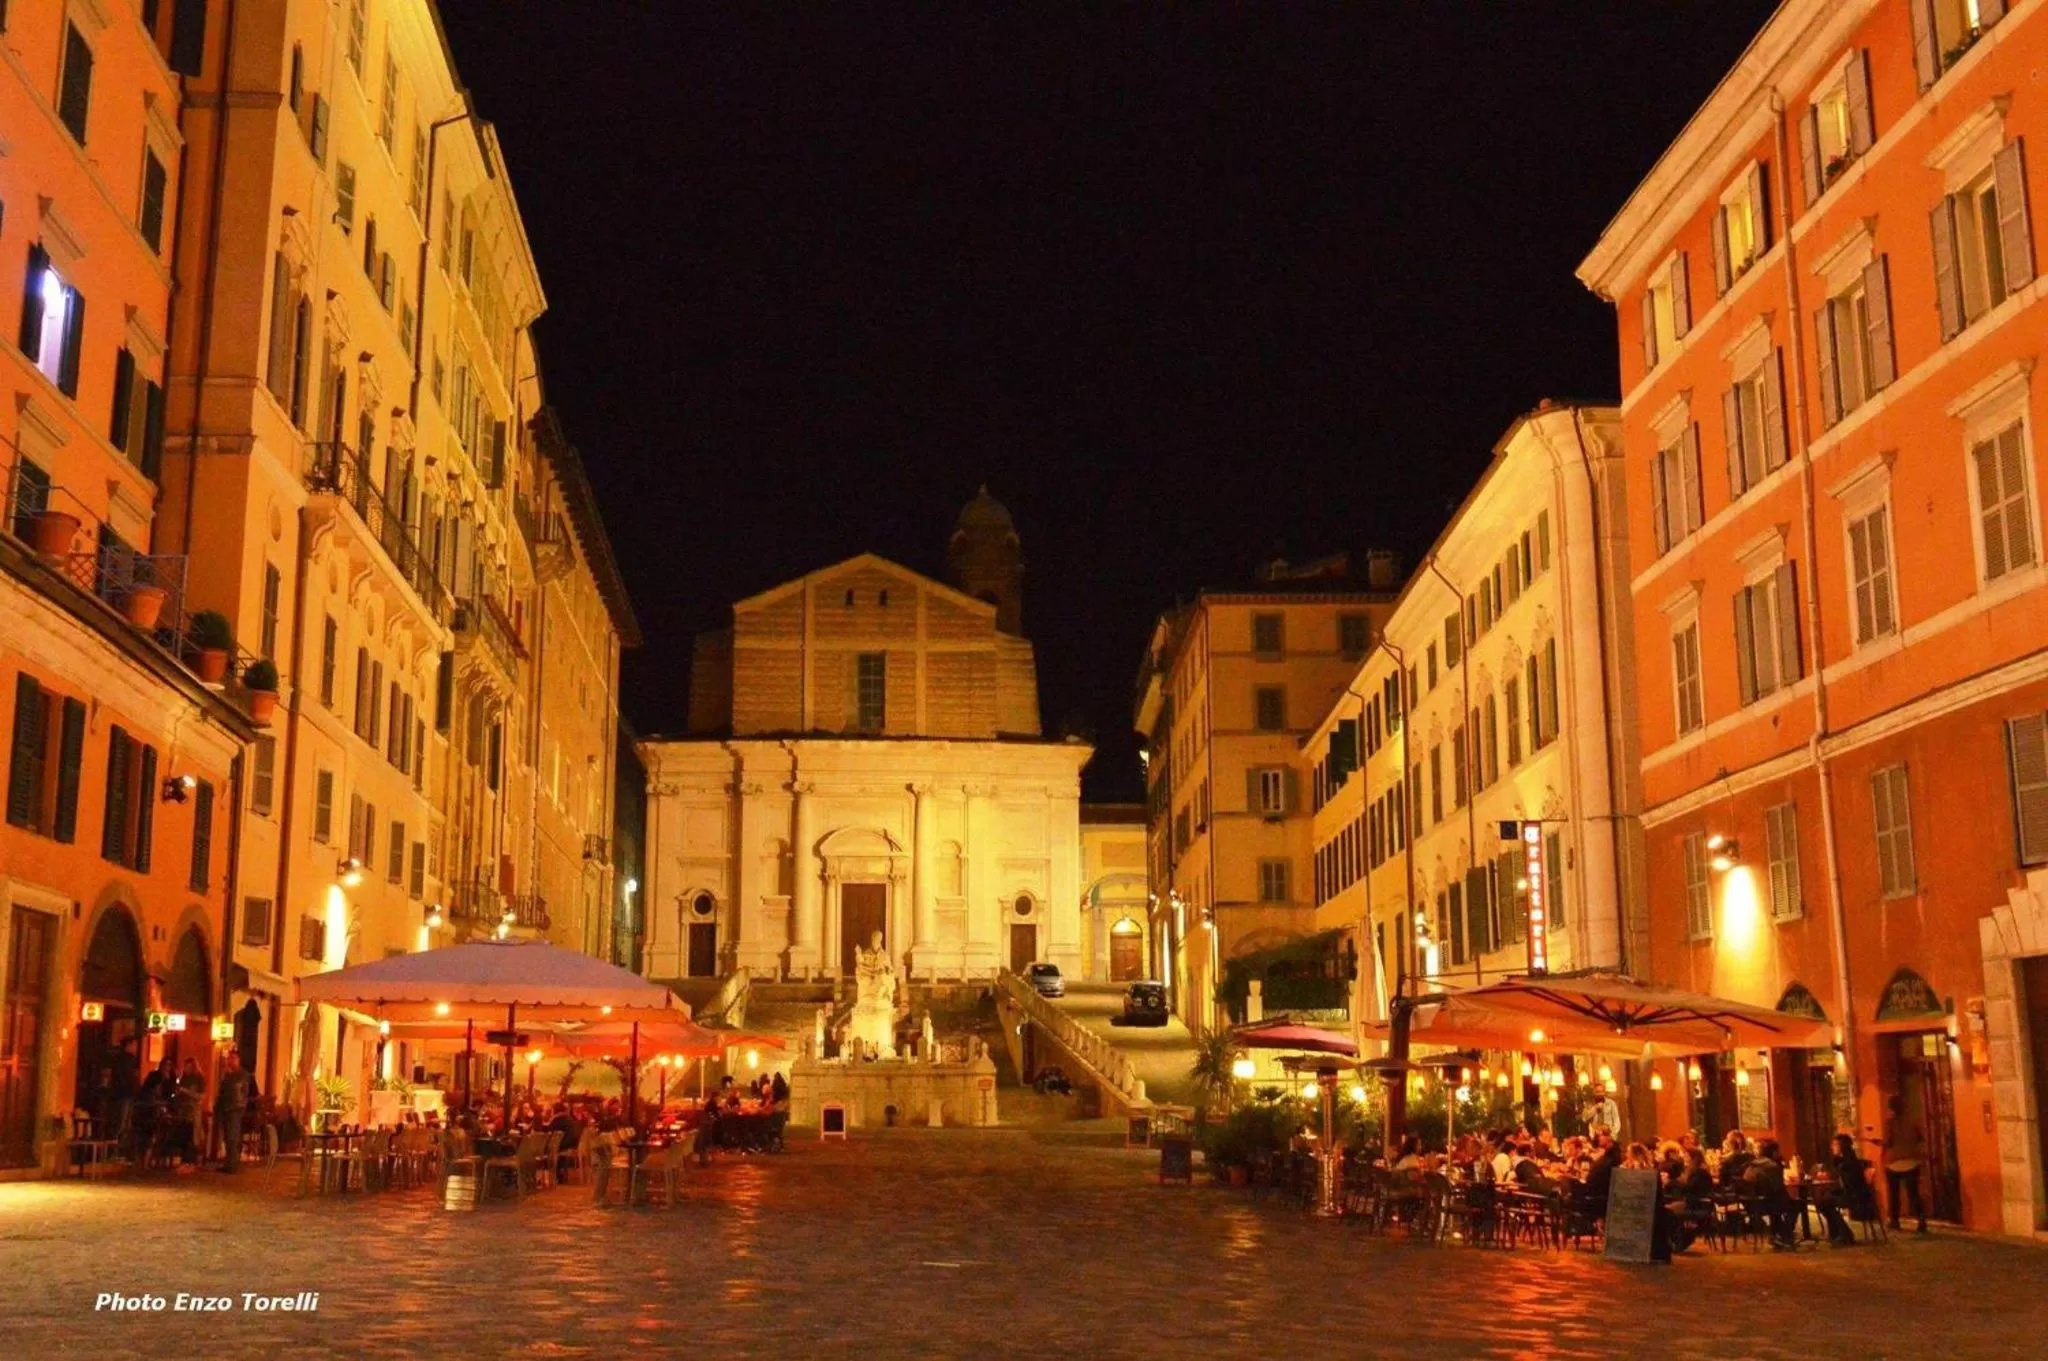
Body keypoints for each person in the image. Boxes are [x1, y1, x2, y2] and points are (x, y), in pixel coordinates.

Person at [1881, 1095, 1928, 1233]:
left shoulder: (1890, 1123)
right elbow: (1921, 1138)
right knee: (1913, 1193)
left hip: (1893, 1162)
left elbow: (1888, 1141)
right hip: (1912, 1160)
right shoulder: (1913, 1121)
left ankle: (1894, 1220)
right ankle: (1921, 1220)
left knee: (1894, 1194)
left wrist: (1882, 1146)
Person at [1815, 1132, 1871, 1246]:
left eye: (1835, 1145)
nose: (1832, 1147)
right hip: (1849, 1193)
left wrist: (1833, 1181)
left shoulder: (1849, 1163)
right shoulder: (1841, 1161)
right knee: (1823, 1201)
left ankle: (1844, 1235)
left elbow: (1850, 1184)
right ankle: (1838, 1234)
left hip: (1857, 1196)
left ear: (1842, 1146)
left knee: (1825, 1202)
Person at [1744, 1138, 1800, 1249]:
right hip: (1767, 1204)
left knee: (1777, 1206)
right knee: (1796, 1205)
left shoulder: (1751, 1164)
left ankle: (1777, 1235)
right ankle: (1785, 1235)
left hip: (1751, 1204)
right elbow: (1778, 1189)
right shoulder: (1772, 1166)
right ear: (1773, 1152)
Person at [214, 1051, 253, 1173]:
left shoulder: (242, 1074)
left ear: (238, 1060)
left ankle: (232, 1163)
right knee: (227, 1136)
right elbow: (222, 1091)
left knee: (232, 1136)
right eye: (229, 1058)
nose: (230, 1061)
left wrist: (241, 1106)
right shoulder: (227, 1074)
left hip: (235, 1107)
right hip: (226, 1107)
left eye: (233, 1058)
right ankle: (229, 1162)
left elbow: (240, 1090)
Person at [174, 1058, 206, 1170]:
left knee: (193, 1136)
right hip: (183, 1110)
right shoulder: (183, 1078)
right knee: (184, 1135)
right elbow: (177, 1091)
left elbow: (201, 1096)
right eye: (185, 1066)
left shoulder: (199, 1078)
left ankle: (191, 1161)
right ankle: (184, 1161)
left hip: (193, 1111)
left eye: (189, 1067)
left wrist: (186, 1091)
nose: (186, 1069)